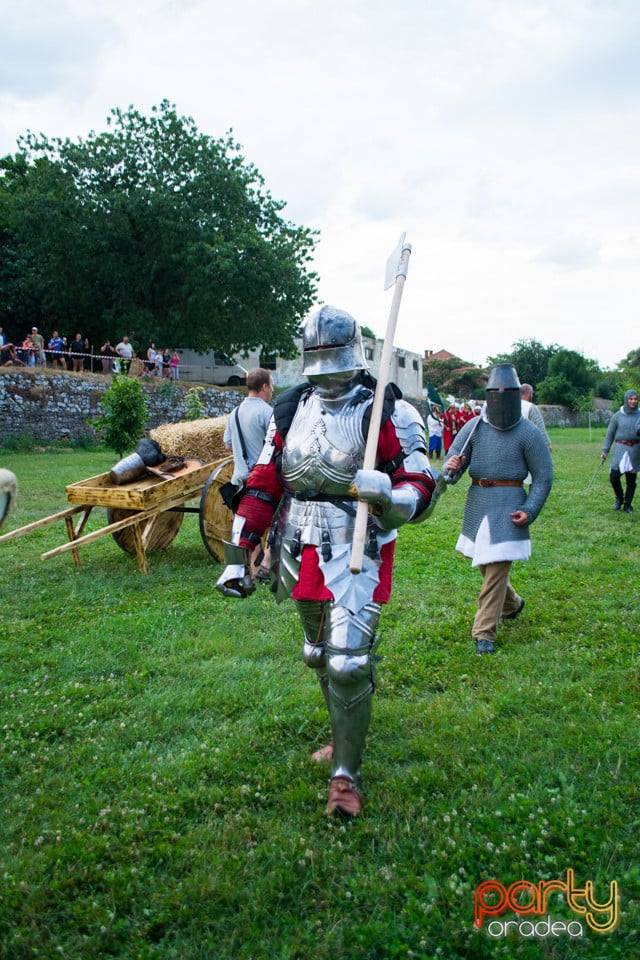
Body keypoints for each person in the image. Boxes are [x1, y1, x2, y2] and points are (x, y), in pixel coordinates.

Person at [216, 305, 440, 817]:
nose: (324, 368)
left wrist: (389, 495)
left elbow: (423, 480)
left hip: (358, 545)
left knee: (347, 661)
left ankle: (346, 778)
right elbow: (266, 480)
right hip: (297, 545)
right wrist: (237, 555)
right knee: (318, 653)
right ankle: (342, 738)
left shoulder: (387, 409)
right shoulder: (293, 408)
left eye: (330, 356)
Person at [444, 363, 553, 656]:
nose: (502, 397)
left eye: (508, 392)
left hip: (510, 505)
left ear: (517, 396)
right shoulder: (474, 427)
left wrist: (530, 509)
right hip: (478, 503)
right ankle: (513, 604)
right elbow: (453, 462)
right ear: (489, 395)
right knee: (485, 564)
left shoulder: (528, 433)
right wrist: (451, 467)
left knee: (495, 570)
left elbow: (543, 476)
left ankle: (484, 634)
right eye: (496, 392)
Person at [600, 389, 640, 513]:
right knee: (614, 476)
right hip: (620, 449)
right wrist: (605, 451)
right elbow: (609, 435)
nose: (633, 401)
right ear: (626, 400)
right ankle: (619, 498)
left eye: (635, 399)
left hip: (635, 449)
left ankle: (627, 504)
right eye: (631, 399)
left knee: (631, 480)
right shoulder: (617, 416)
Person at [520, 384, 551, 451]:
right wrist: (547, 444)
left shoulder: (509, 405)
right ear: (529, 393)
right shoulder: (530, 407)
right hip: (526, 446)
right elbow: (539, 427)